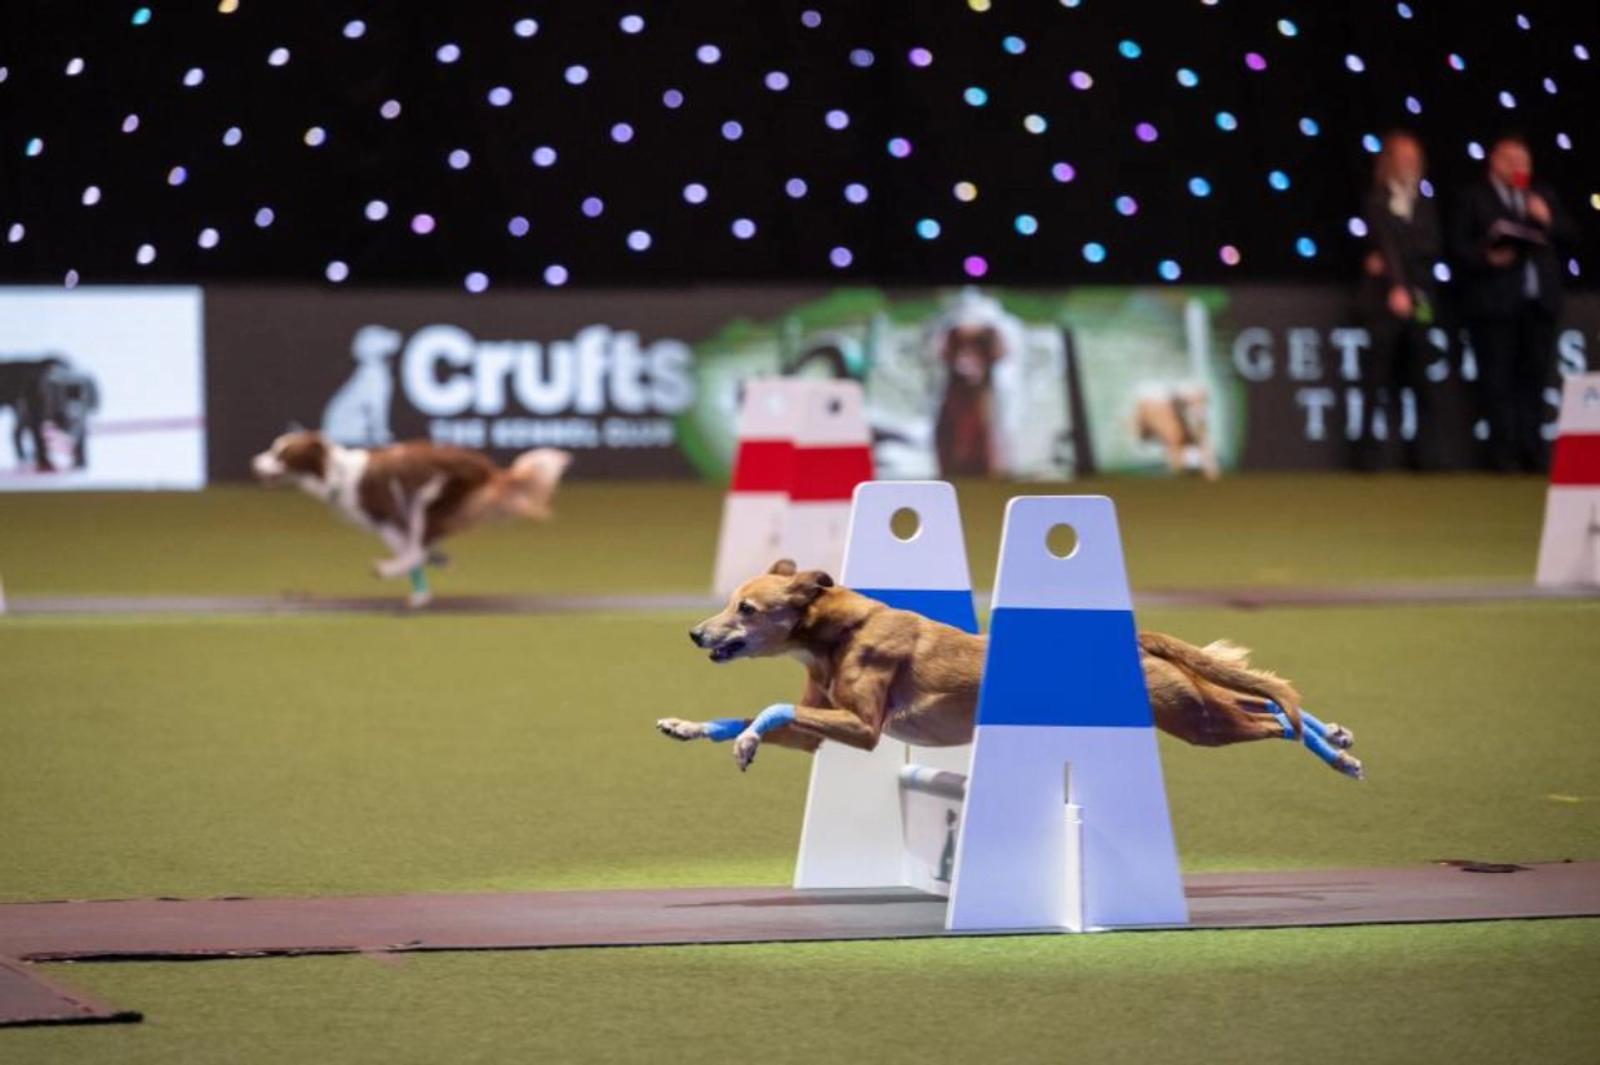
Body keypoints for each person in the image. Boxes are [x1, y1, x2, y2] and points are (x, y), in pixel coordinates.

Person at [1451, 135, 1577, 472]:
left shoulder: (1542, 196)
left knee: (1534, 380)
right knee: (1497, 382)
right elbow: (1459, 249)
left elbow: (1569, 235)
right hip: (1495, 305)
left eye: (1524, 160)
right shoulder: (1474, 198)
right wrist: (1488, 257)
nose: (1519, 167)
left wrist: (1546, 218)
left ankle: (1533, 453)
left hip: (1539, 304)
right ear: (1494, 161)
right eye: (1511, 160)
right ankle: (1501, 456)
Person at [1356, 131, 1441, 470]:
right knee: (1376, 379)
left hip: (1419, 299)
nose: (1409, 164)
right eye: (1403, 158)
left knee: (1420, 379)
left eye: (1413, 158)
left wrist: (1406, 281)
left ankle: (1422, 456)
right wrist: (1396, 283)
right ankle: (1366, 457)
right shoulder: (1377, 201)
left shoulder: (1424, 202)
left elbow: (1430, 246)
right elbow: (1385, 246)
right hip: (1383, 303)